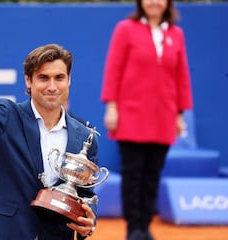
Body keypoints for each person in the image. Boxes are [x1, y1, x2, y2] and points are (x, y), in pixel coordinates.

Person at [0, 4, 98, 240]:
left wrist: (89, 219)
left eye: (59, 78)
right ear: (28, 81)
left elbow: (86, 194)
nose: (52, 86)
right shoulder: (7, 116)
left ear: (69, 81)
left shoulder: (84, 136)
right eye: (43, 78)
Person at [100, 0, 193, 240]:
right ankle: (134, 228)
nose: (154, 2)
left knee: (153, 174)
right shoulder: (125, 29)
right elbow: (113, 69)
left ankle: (145, 225)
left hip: (164, 116)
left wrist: (180, 114)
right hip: (131, 115)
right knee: (133, 174)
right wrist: (112, 107)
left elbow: (181, 75)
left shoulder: (176, 33)